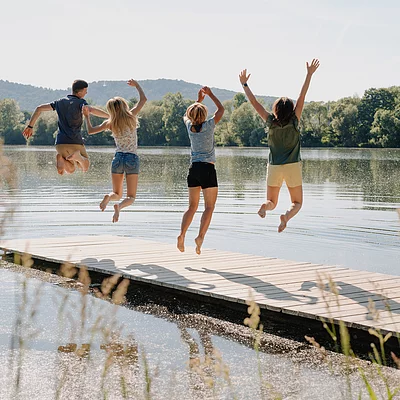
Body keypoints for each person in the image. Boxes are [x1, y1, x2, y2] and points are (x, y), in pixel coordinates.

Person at [239, 59, 320, 232]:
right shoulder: (294, 121)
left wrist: (245, 84)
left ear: (275, 110)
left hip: (274, 166)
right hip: (292, 166)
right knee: (297, 203)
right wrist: (309, 74)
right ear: (291, 110)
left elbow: (255, 104)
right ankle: (286, 217)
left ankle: (264, 206)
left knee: (272, 202)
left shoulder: (270, 122)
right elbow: (302, 97)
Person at [83, 79, 147, 223]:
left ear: (111, 110)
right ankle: (119, 207)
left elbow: (90, 131)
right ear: (124, 106)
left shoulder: (110, 122)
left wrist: (87, 117)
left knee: (116, 193)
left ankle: (109, 197)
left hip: (118, 158)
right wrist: (137, 85)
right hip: (131, 158)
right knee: (131, 197)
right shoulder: (131, 116)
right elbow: (143, 100)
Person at [22, 80, 109, 174]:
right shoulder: (81, 102)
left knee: (71, 169)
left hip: (60, 143)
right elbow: (91, 109)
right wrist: (110, 116)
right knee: (85, 165)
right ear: (79, 92)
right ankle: (77, 157)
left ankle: (62, 160)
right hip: (75, 141)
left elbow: (39, 108)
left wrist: (30, 126)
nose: (86, 93)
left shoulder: (59, 102)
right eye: (85, 91)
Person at [177, 86, 224, 255]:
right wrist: (210, 95)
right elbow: (221, 109)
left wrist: (198, 101)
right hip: (208, 169)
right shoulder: (209, 125)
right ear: (204, 115)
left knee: (192, 207)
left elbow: (186, 115)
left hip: (194, 169)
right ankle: (200, 237)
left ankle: (182, 234)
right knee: (209, 207)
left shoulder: (189, 127)